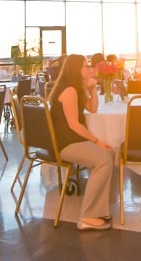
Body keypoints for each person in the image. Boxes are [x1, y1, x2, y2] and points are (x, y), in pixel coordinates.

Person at [48, 54, 115, 231]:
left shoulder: (76, 88)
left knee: (110, 153)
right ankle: (87, 216)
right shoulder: (69, 90)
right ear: (76, 69)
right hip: (66, 144)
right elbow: (74, 125)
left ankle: (99, 209)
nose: (89, 68)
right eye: (85, 66)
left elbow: (92, 109)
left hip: (73, 140)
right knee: (104, 159)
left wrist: (92, 89)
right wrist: (97, 141)